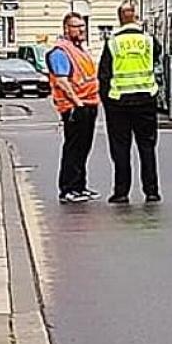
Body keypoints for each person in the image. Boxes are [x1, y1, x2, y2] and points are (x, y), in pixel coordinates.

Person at [96, 1, 160, 204]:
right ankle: (151, 190)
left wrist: (107, 102)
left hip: (119, 103)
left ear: (119, 18)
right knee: (147, 147)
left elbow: (103, 75)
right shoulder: (149, 41)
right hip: (145, 100)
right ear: (135, 17)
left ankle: (121, 192)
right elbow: (157, 59)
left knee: (121, 148)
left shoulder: (112, 43)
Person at [47, 12, 101, 205]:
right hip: (74, 107)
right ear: (66, 29)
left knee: (83, 148)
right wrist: (77, 102)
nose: (81, 30)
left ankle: (79, 186)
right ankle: (68, 188)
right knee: (73, 148)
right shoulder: (61, 51)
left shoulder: (80, 50)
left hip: (88, 104)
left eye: (83, 26)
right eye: (77, 27)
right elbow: (62, 81)